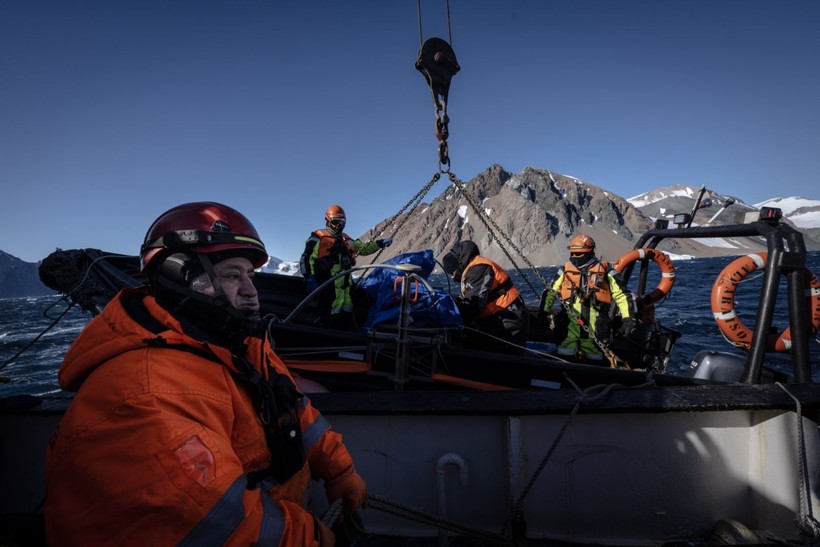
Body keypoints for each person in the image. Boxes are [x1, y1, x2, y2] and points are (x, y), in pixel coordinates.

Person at [45, 201, 366, 546]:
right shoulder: (146, 395)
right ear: (178, 275)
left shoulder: (241, 348)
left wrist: (338, 469)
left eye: (250, 276)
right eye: (232, 276)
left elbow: (295, 410)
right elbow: (218, 526)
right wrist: (313, 536)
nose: (251, 292)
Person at [541, 234, 636, 363]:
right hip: (570, 326)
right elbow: (551, 292)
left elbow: (622, 295)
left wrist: (628, 318)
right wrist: (544, 311)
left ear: (589, 252)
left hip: (596, 327)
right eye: (572, 253)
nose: (574, 257)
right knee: (565, 353)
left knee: (595, 359)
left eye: (578, 254)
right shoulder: (565, 271)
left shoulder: (606, 271)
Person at [300, 204, 392, 330]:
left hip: (346, 291)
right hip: (327, 289)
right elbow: (306, 260)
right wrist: (310, 279)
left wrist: (379, 244)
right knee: (327, 321)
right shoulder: (317, 239)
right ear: (328, 221)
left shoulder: (346, 240)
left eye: (342, 223)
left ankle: (345, 340)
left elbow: (364, 248)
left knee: (346, 319)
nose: (339, 225)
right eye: (336, 222)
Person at [441, 240, 529, 352]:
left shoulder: (477, 269)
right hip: (503, 317)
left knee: (466, 337)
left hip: (509, 321)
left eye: (452, 273)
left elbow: (474, 306)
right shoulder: (475, 268)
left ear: (457, 267)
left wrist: (449, 312)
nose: (453, 277)